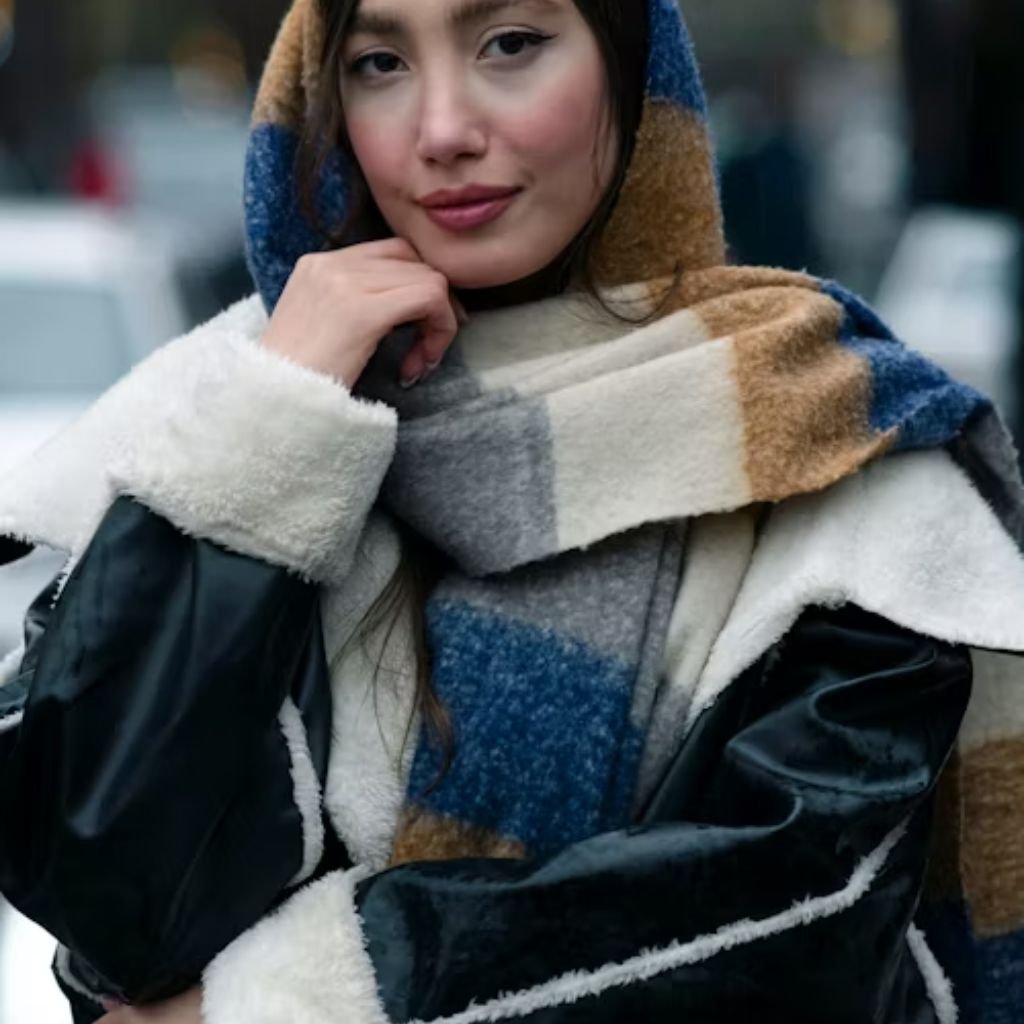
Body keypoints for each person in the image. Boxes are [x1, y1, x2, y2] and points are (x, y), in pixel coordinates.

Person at [1, 0, 1023, 1021]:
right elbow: (93, 880)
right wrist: (278, 422)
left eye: (511, 45)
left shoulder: (827, 430)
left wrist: (285, 1007)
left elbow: (801, 915)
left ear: (632, 75)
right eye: (378, 62)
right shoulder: (232, 417)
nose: (442, 129)